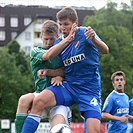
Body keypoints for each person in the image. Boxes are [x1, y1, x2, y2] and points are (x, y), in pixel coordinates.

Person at [22, 6, 109, 133]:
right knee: (39, 101)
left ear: (75, 23)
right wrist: (49, 73)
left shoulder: (86, 33)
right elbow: (63, 68)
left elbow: (105, 50)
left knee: (93, 130)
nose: (63, 28)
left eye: (66, 24)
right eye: (61, 24)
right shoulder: (58, 43)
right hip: (69, 87)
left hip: (89, 90)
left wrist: (94, 39)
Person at [15, 20, 74, 133]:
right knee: (23, 100)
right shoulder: (35, 51)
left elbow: (70, 72)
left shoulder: (64, 53)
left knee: (60, 130)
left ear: (57, 37)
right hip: (39, 96)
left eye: (52, 39)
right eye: (46, 39)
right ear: (41, 37)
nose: (48, 42)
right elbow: (48, 55)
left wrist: (60, 77)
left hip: (58, 99)